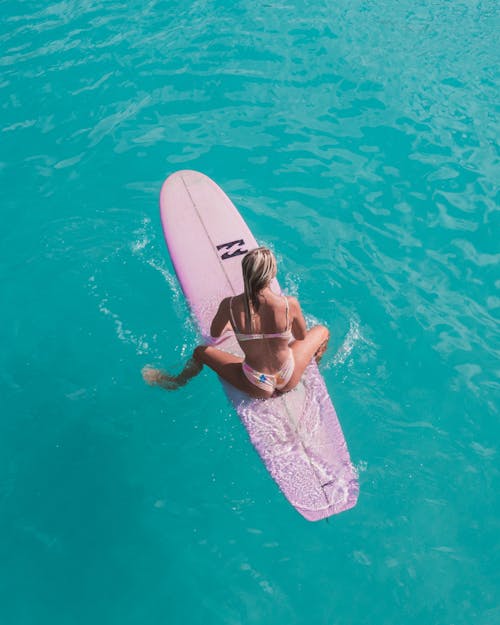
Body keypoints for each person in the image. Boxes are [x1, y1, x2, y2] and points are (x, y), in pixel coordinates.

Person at [142, 247, 329, 399]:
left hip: (257, 382)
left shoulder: (230, 306)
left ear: (246, 273)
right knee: (322, 332)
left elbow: (214, 335)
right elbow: (301, 336)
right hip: (288, 375)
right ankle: (310, 372)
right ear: (272, 273)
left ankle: (176, 382)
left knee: (200, 352)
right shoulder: (289, 304)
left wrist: (238, 328)